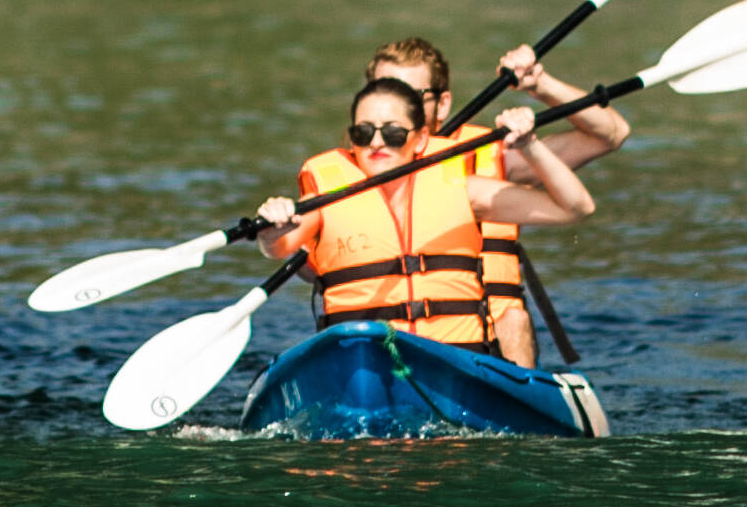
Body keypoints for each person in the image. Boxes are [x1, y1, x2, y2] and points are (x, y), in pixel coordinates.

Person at [244, 65, 590, 365]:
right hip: (363, 360)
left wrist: (530, 145)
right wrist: (272, 224)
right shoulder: (326, 197)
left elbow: (575, 207)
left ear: (422, 137)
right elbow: (278, 246)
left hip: (454, 359)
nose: (377, 142)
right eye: (363, 133)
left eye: (393, 133)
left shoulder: (465, 190)